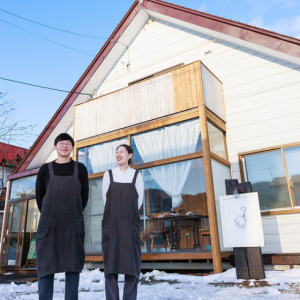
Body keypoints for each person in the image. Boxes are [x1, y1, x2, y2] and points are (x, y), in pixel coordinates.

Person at [35, 133, 89, 300]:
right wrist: (51, 214)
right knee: (45, 265)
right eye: (61, 143)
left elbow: (84, 197)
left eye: (68, 143)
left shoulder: (80, 169)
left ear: (72, 148)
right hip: (49, 225)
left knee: (73, 265)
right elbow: (39, 197)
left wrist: (72, 212)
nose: (64, 146)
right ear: (55, 146)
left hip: (73, 225)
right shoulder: (45, 169)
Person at [102, 144, 144, 300]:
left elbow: (138, 202)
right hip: (111, 226)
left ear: (130, 155)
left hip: (130, 226)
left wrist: (128, 216)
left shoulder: (136, 176)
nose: (118, 154)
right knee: (110, 267)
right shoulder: (109, 175)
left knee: (131, 267)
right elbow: (106, 201)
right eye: (116, 152)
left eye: (122, 152)